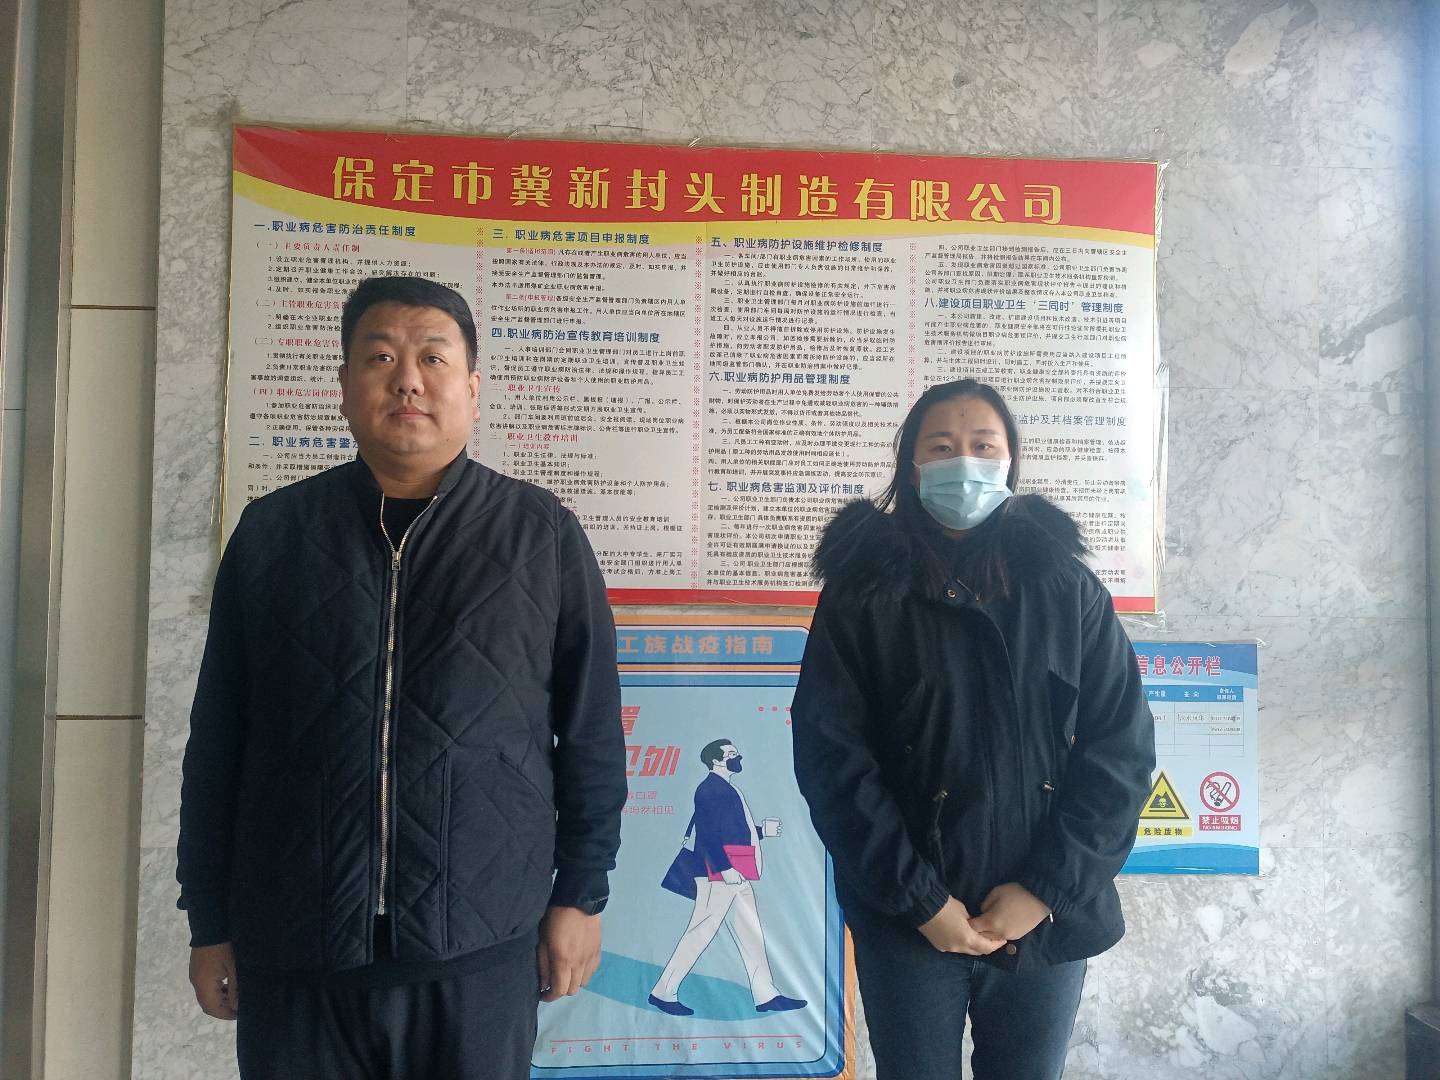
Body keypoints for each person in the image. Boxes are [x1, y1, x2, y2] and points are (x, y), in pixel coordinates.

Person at [177, 275, 626, 1080]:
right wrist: (208, 918)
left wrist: (581, 894)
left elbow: (590, 732)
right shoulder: (273, 534)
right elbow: (218, 741)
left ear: (472, 389)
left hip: (480, 946)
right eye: (381, 357)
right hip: (295, 943)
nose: (408, 380)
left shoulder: (543, 537)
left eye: (433, 358)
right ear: (345, 385)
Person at [791, 378, 1155, 1080]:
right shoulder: (863, 594)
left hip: (1042, 919)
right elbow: (832, 758)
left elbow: (1121, 751)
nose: (965, 462)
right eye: (941, 447)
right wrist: (922, 901)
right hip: (909, 921)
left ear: (1011, 460)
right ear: (912, 466)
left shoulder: (1068, 590)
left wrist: (1044, 890)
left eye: (983, 445)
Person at [649, 739, 806, 1017]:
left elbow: (731, 829)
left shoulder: (724, 787)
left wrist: (761, 831)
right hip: (717, 875)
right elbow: (709, 834)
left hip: (733, 874)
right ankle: (663, 992)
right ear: (716, 760)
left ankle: (766, 994)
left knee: (750, 933)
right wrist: (725, 868)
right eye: (731, 754)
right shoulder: (709, 789)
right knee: (700, 931)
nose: (738, 757)